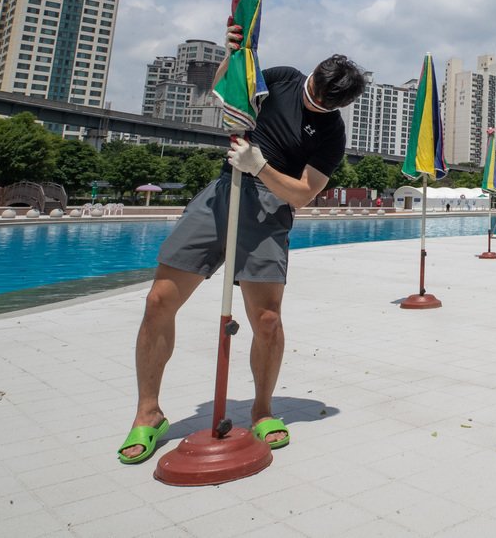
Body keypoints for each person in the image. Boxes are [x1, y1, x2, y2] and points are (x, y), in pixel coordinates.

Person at [117, 23, 367, 464]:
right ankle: (148, 413)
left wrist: (260, 165)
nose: (313, 101)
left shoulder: (332, 135)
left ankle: (263, 410)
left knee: (266, 320)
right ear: (311, 73)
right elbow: (224, 93)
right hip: (222, 192)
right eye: (313, 90)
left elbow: (303, 194)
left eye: (325, 103)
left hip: (270, 209)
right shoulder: (286, 77)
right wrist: (231, 55)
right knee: (159, 301)